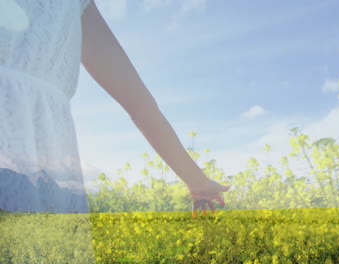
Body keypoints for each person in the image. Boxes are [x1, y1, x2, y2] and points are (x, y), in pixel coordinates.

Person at [0, 0, 230, 217]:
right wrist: (196, 181)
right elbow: (141, 107)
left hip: (32, 159)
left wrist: (196, 181)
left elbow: (140, 105)